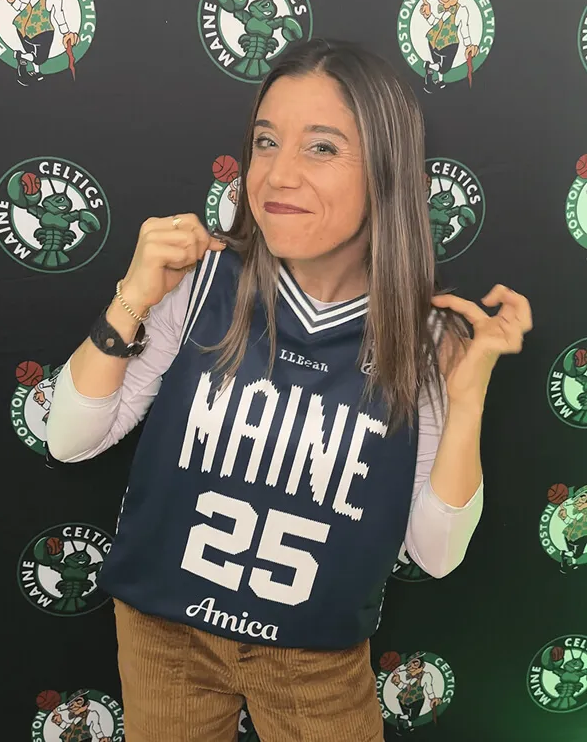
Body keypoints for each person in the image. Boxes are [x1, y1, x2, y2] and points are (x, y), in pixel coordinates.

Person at [47, 38, 532, 741]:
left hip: (315, 653)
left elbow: (437, 551)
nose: (277, 175)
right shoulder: (200, 284)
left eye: (323, 148)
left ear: (388, 175)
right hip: (167, 634)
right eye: (266, 142)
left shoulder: (423, 338)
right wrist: (131, 298)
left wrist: (469, 397)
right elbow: (68, 438)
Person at [2, 0, 79, 86]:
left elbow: (59, 15)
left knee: (35, 56)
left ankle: (36, 71)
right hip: (31, 31)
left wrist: (66, 33)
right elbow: (23, 8)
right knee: (40, 57)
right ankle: (21, 57)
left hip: (33, 31)